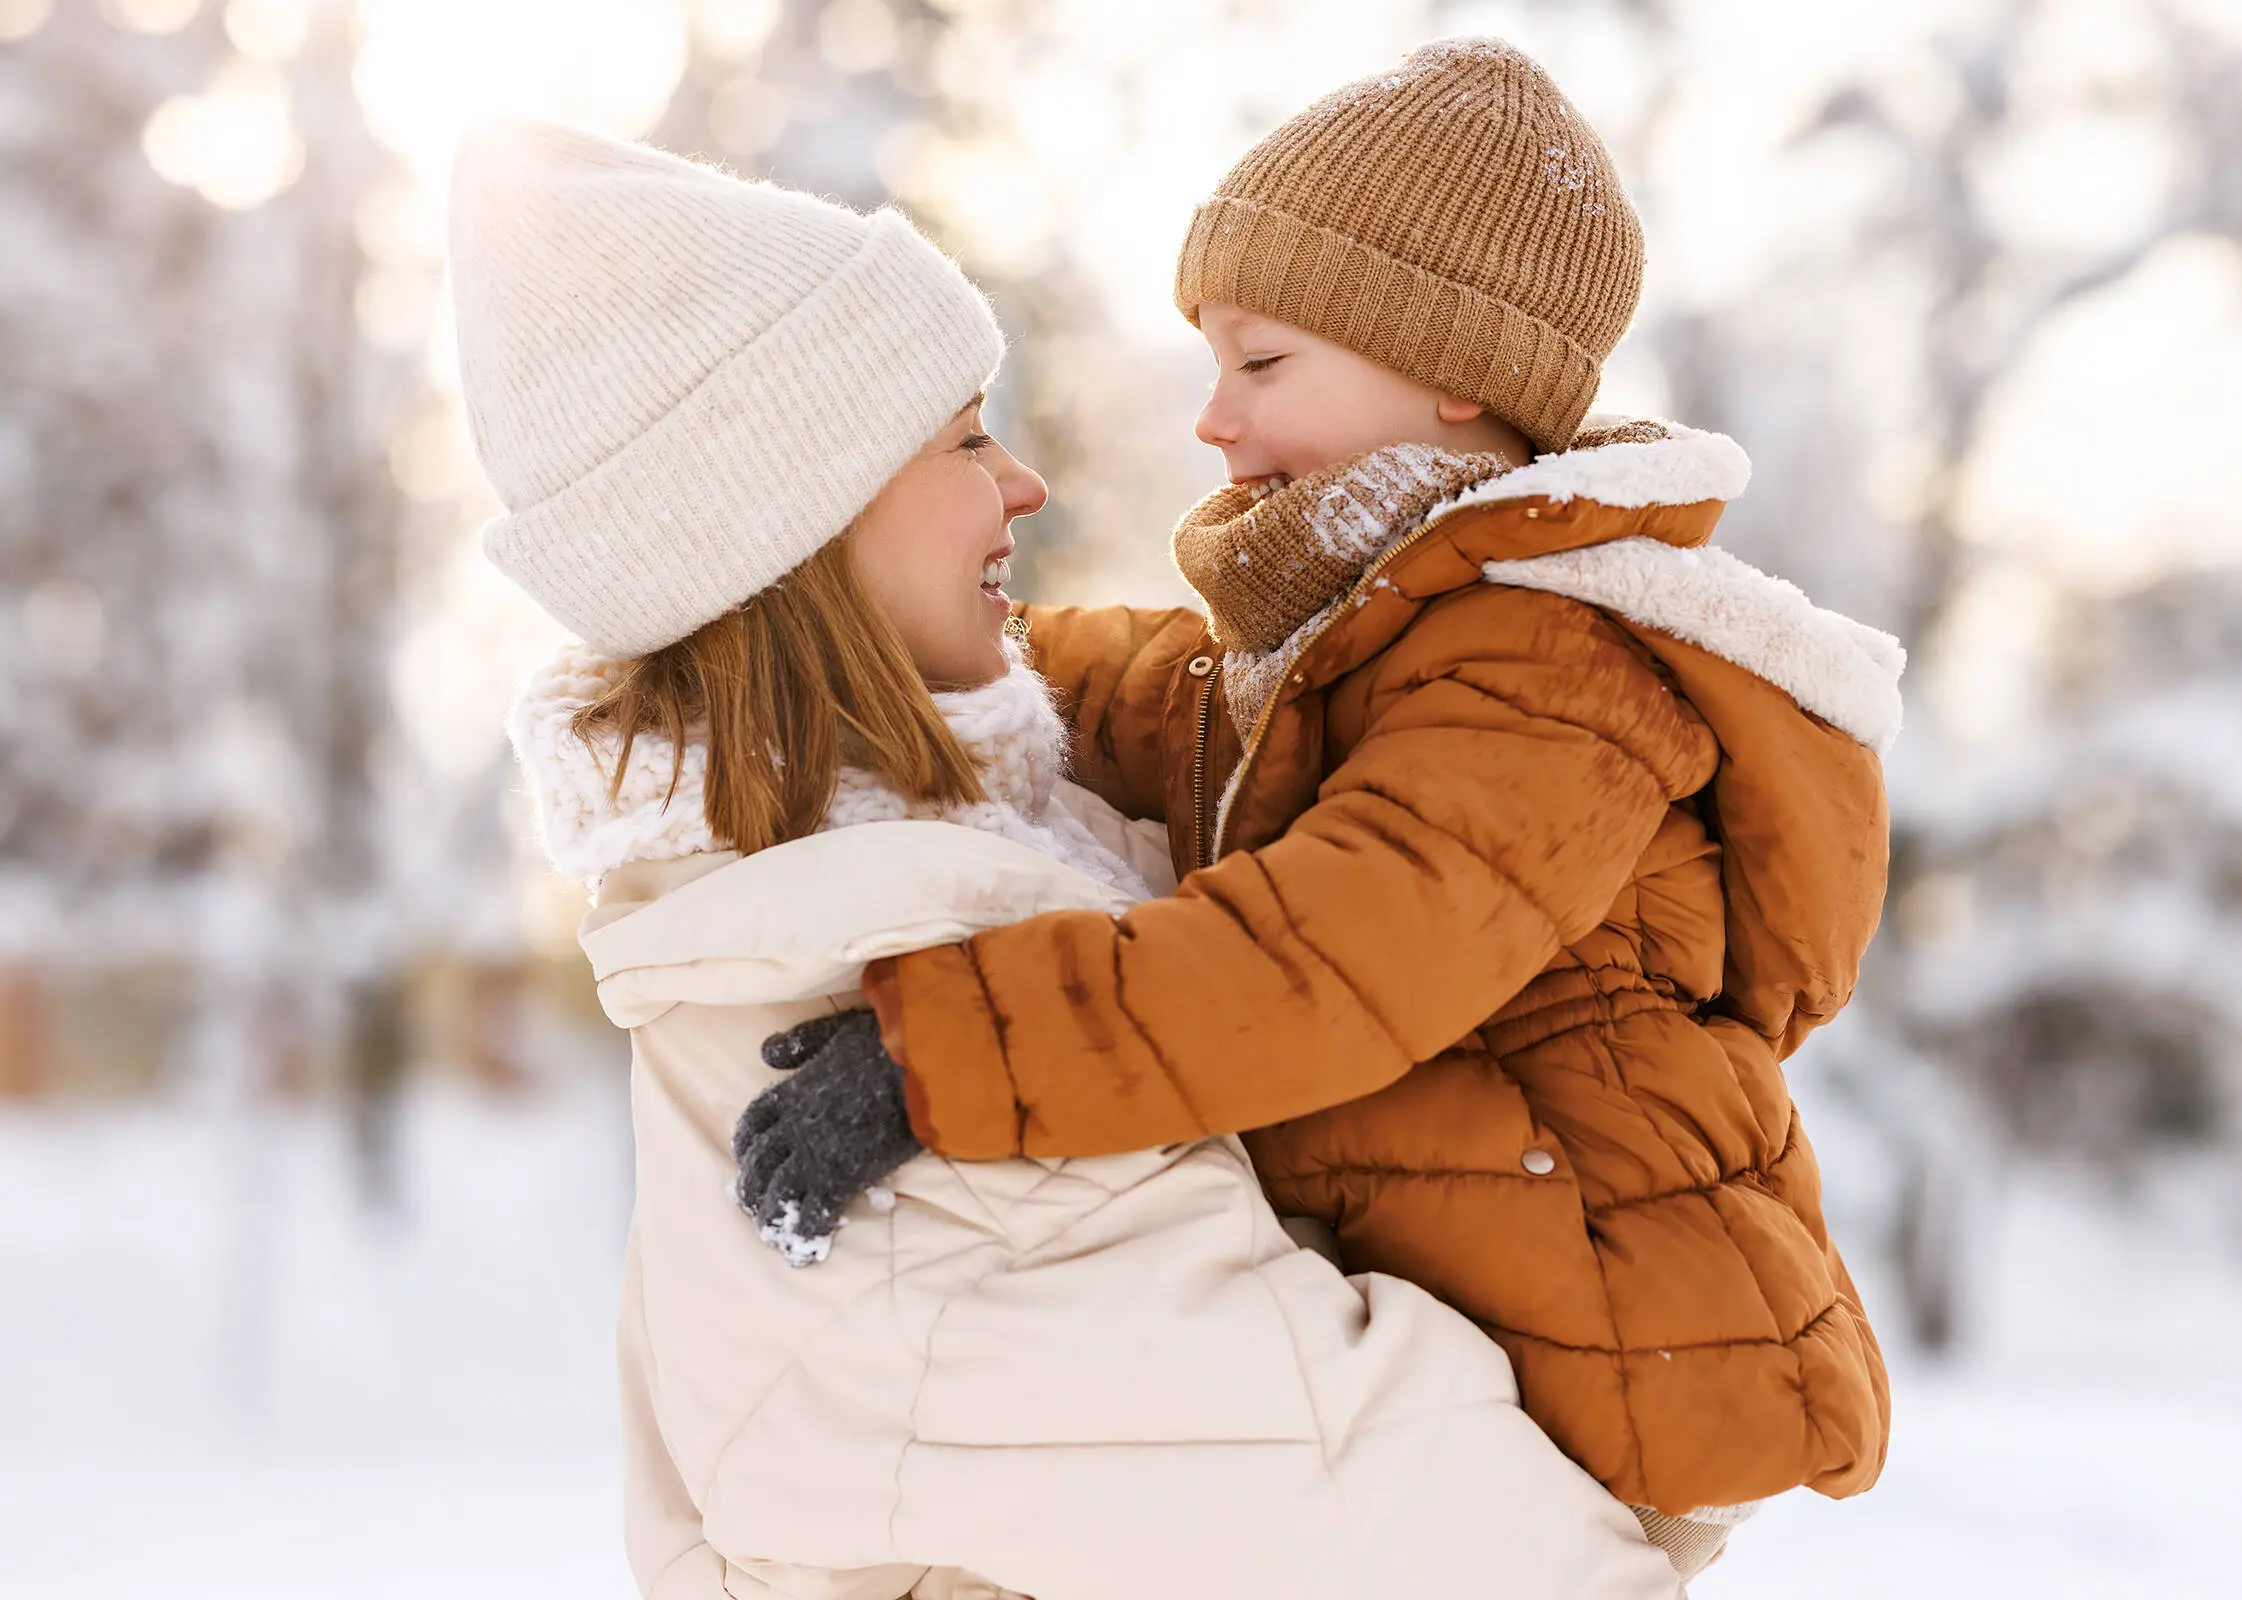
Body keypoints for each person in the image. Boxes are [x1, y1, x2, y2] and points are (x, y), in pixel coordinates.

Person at [450, 118, 1683, 1600]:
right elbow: (1498, 1553)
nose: (1024, 482)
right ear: (808, 520)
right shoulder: (891, 979)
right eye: (966, 438)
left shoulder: (885, 892)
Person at [739, 39, 1902, 1581]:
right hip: (1481, 1321)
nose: (1214, 420)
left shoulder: (1549, 669)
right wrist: (879, 641)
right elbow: (1135, 689)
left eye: (1262, 363)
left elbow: (1328, 959)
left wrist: (939, 1049)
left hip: (1607, 1364)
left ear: (1454, 372)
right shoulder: (1347, 646)